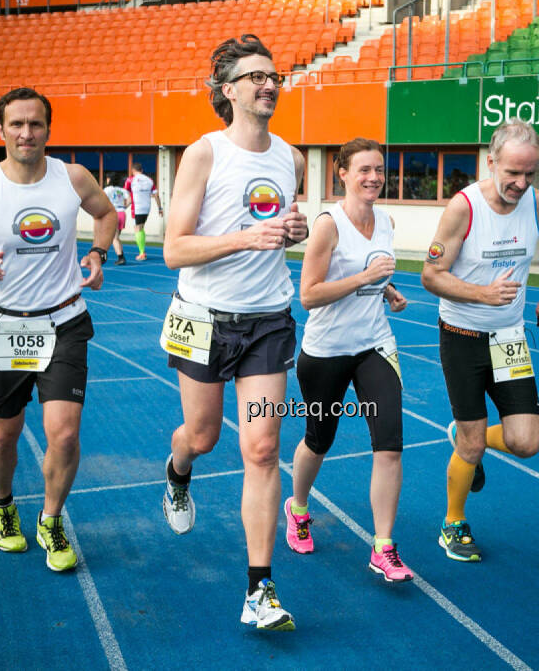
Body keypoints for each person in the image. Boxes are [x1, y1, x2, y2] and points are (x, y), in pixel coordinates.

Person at [0, 87, 117, 572]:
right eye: (16, 124)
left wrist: (97, 254)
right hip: (4, 325)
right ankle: (4, 506)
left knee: (64, 434)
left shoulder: (73, 177)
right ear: (0, 130)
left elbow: (106, 214)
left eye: (35, 124)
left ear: (48, 130)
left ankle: (51, 520)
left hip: (64, 321)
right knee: (4, 433)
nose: (26, 133)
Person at [161, 34, 307, 631]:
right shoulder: (203, 154)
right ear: (227, 90)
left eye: (273, 75)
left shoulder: (292, 159)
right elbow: (174, 249)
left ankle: (259, 590)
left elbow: (280, 229)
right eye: (255, 77)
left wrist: (290, 231)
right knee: (201, 436)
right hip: (201, 318)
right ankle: (177, 472)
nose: (269, 84)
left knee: (263, 449)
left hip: (268, 319)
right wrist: (247, 236)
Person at [421, 118, 539, 563]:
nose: (521, 183)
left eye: (530, 174)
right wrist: (483, 294)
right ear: (491, 162)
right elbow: (430, 276)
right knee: (471, 442)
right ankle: (453, 524)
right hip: (462, 336)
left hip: (509, 339)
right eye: (512, 173)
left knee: (527, 442)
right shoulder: (463, 209)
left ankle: (470, 440)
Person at [285, 137, 414, 583]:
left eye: (379, 169)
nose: (374, 177)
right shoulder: (328, 225)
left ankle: (383, 546)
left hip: (375, 345)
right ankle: (298, 508)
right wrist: (365, 277)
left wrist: (387, 291)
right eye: (364, 170)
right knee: (319, 441)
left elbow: (373, 276)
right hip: (325, 352)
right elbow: (308, 295)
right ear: (342, 173)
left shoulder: (386, 221)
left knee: (390, 443)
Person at [124, 162, 162, 261]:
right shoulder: (149, 180)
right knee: (141, 228)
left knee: (137, 228)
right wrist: (160, 208)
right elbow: (156, 195)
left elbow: (126, 195)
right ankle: (142, 250)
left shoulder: (130, 180)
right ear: (142, 170)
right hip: (147, 207)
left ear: (133, 170)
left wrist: (122, 207)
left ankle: (142, 253)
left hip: (137, 207)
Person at [104, 174, 131, 265]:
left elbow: (102, 200)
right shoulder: (122, 190)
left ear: (110, 179)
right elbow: (129, 200)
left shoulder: (108, 189)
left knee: (114, 238)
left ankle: (121, 257)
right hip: (122, 213)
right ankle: (120, 255)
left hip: (113, 213)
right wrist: (124, 207)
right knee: (116, 237)